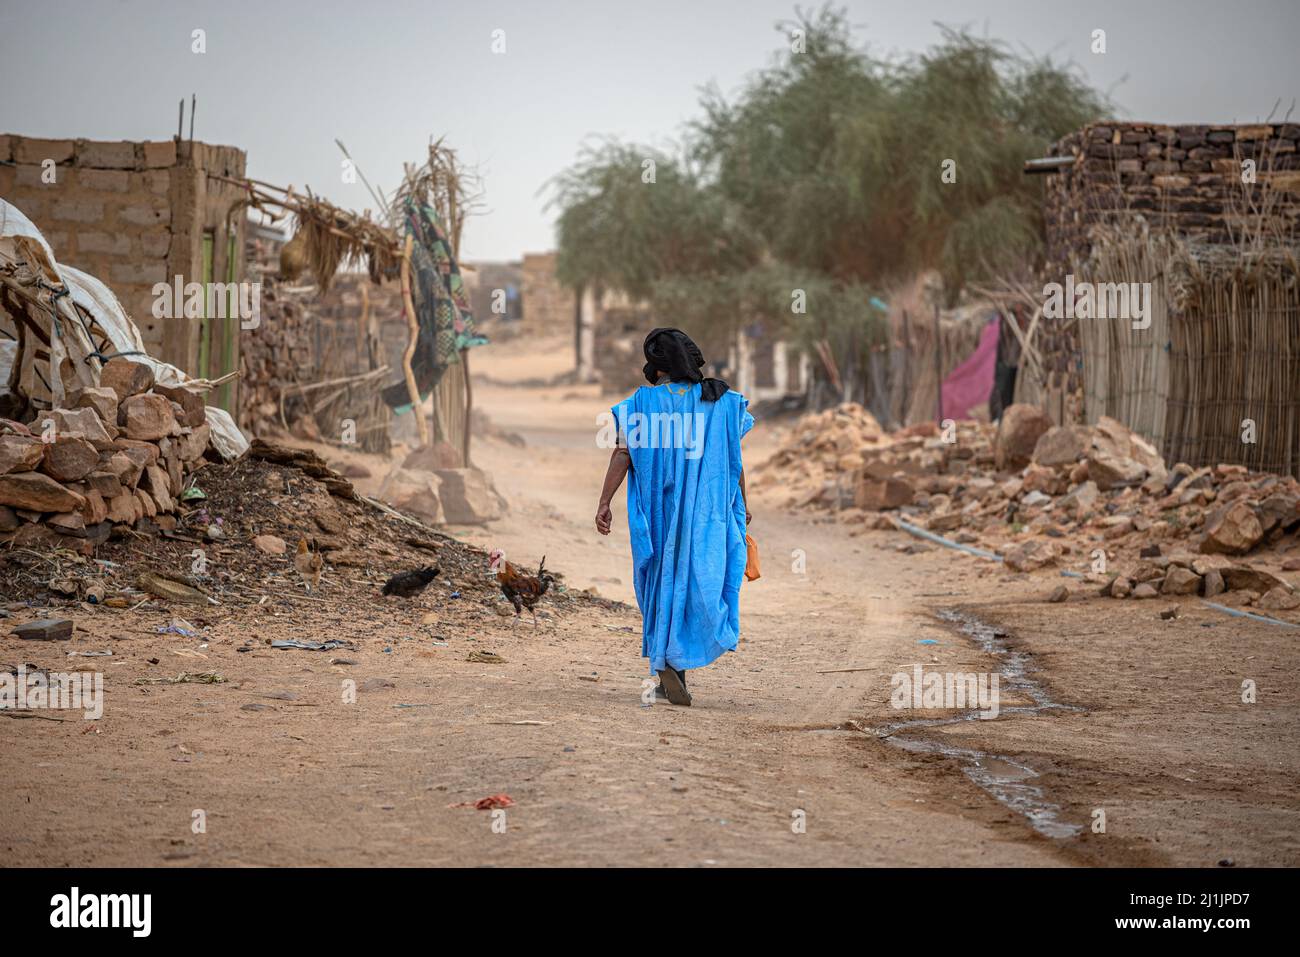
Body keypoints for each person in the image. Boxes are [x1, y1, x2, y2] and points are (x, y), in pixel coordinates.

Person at [594, 328, 754, 706]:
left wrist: (604, 502)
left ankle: (668, 666)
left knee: (662, 582)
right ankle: (674, 669)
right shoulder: (722, 402)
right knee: (696, 582)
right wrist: (742, 503)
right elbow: (734, 460)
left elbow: (622, 454)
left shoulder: (640, 404)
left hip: (659, 514)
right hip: (704, 515)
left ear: (658, 367)